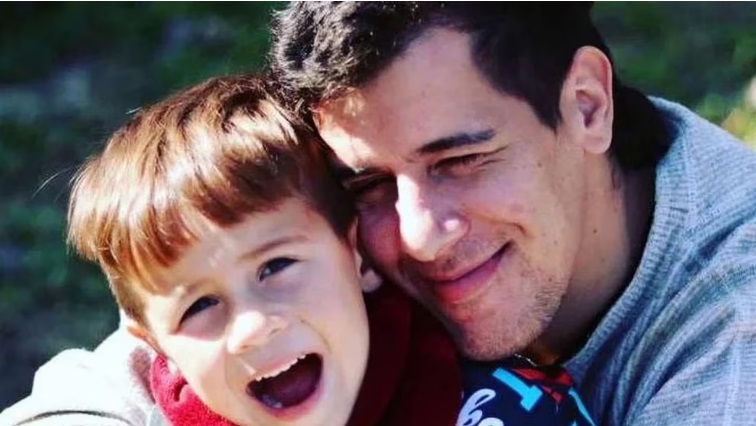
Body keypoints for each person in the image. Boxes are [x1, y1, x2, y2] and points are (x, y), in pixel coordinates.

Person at [1, 73, 595, 426]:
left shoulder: (503, 411)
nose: (253, 327)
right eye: (199, 306)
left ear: (357, 257)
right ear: (157, 348)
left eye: (276, 266)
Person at [267, 2, 756, 426]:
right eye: (370, 184)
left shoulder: (732, 359)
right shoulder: (322, 259)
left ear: (588, 106)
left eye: (460, 161)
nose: (420, 237)